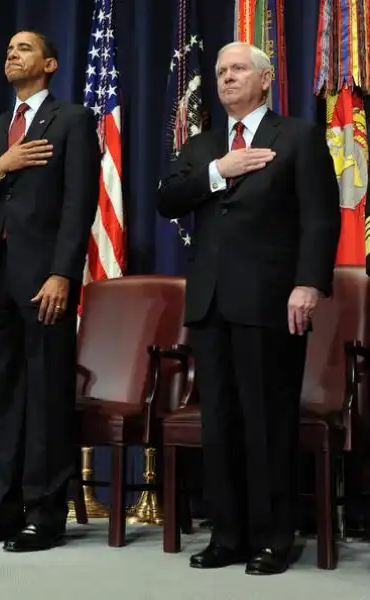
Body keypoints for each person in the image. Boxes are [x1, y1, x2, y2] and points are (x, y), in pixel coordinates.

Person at [157, 41, 340, 575]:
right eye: (220, 71)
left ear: (264, 80)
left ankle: (272, 537)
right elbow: (168, 199)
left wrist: (308, 284)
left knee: (267, 421)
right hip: (212, 302)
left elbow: (319, 219)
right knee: (220, 423)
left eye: (238, 69)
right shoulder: (204, 144)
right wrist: (220, 168)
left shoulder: (299, 136)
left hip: (272, 301)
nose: (227, 77)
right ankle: (228, 534)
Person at [0, 31, 100, 552]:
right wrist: (0, 166)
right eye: (8, 48)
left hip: (44, 282)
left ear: (50, 63)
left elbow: (80, 204)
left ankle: (45, 513)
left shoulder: (73, 120)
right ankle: (2, 508)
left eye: (24, 48)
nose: (12, 54)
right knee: (2, 398)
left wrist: (63, 273)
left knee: (46, 397)